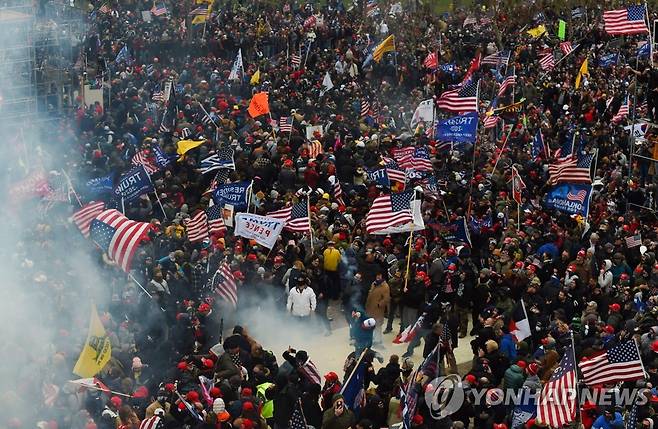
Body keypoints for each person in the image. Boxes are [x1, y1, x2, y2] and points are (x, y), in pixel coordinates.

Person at [365, 272, 390, 347]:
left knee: (378, 325)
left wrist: (379, 304)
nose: (378, 276)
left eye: (380, 275)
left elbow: (386, 298)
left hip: (378, 309)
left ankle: (377, 340)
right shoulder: (374, 283)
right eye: (377, 275)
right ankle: (372, 338)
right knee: (371, 324)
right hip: (370, 307)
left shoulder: (385, 286)